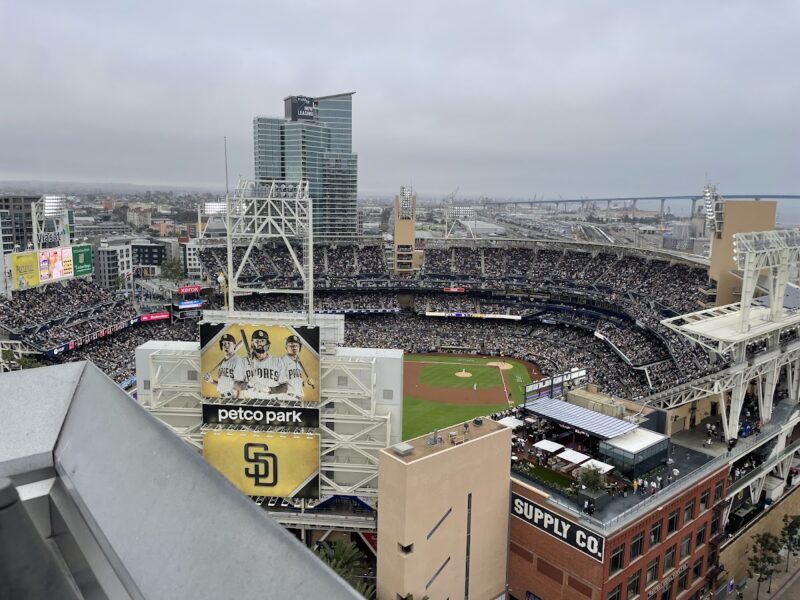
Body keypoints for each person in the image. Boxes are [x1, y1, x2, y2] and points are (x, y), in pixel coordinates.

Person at [204, 333, 247, 398]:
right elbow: (223, 384)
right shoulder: (223, 363)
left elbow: (241, 386)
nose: (226, 346)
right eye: (224, 344)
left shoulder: (237, 361)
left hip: (234, 398)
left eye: (229, 343)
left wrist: (237, 403)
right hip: (223, 397)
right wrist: (211, 381)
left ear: (234, 346)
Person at [280, 334, 314, 399]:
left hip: (298, 398)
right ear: (286, 347)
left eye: (296, 345)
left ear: (299, 348)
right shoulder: (282, 361)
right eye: (291, 345)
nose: (294, 347)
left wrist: (306, 383)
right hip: (288, 397)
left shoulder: (298, 363)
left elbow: (296, 383)